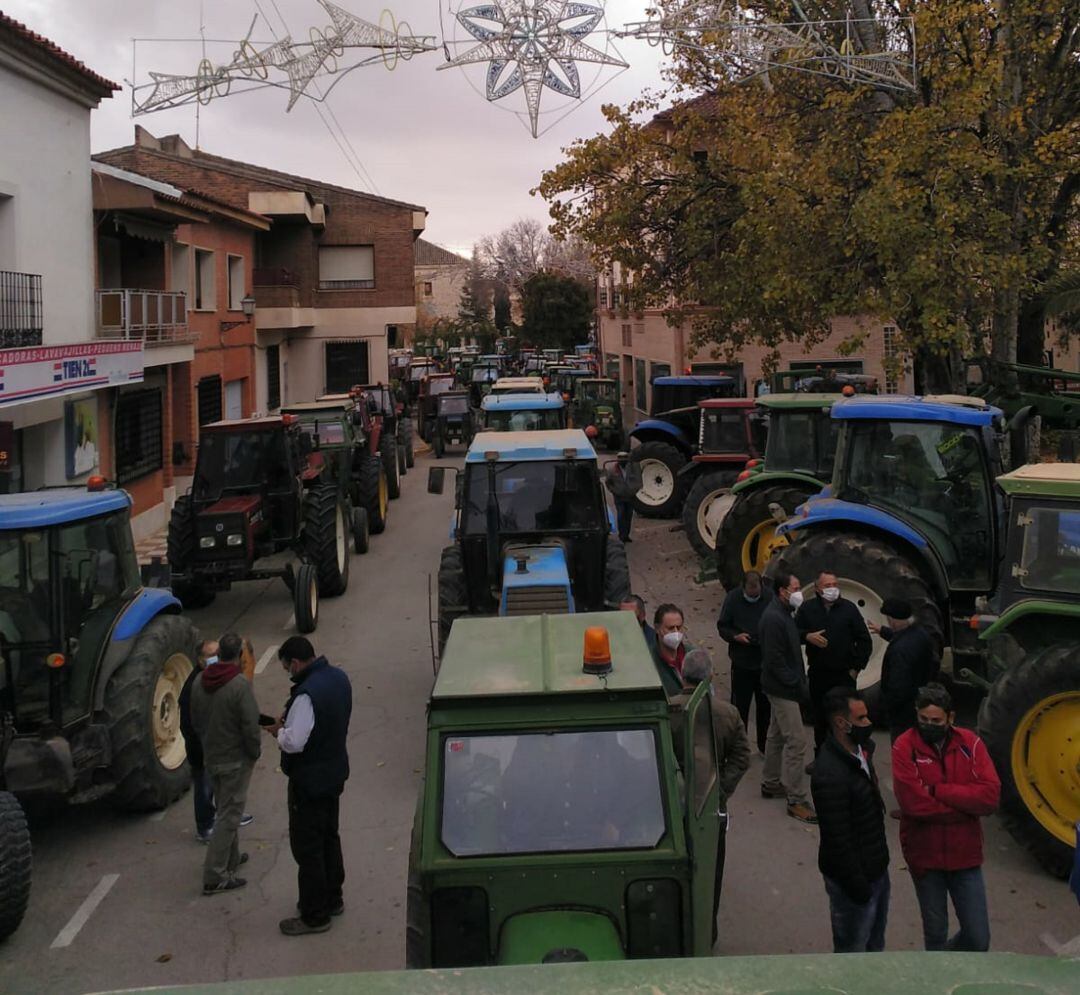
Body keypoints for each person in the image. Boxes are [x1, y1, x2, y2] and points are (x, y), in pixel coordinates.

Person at [893, 683, 1000, 952]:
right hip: (925, 860)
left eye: (936, 721)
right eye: (923, 719)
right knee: (935, 936)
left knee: (978, 938)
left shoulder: (970, 743)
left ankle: (950, 965)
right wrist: (965, 806)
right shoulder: (904, 746)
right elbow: (913, 804)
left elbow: (989, 797)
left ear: (950, 718)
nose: (929, 725)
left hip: (965, 858)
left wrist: (939, 791)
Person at [267, 636, 353, 936]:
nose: (288, 673)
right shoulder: (339, 678)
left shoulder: (305, 696)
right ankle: (334, 898)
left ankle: (315, 914)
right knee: (330, 836)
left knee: (309, 848)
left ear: (294, 662)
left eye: (286, 668)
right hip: (334, 773)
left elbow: (295, 742)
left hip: (309, 782)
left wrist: (279, 731)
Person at [672, 648, 750, 945]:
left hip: (674, 808)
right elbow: (741, 757)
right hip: (710, 809)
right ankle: (707, 933)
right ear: (711, 676)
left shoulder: (668, 710)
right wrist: (720, 793)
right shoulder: (727, 714)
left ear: (682, 674)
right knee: (710, 872)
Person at [810, 688, 890, 953]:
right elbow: (837, 839)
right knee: (852, 954)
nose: (868, 724)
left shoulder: (861, 751)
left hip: (875, 872)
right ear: (841, 724)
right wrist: (860, 888)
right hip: (854, 885)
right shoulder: (829, 774)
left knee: (874, 946)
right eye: (862, 719)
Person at [190, 632, 261, 895]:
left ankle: (231, 858)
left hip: (212, 757)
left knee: (224, 809)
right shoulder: (239, 686)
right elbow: (250, 726)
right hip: (235, 761)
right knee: (229, 816)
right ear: (240, 656)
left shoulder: (199, 681)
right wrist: (254, 752)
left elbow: (195, 719)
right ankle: (215, 875)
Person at [758, 571, 816, 823]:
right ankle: (796, 799)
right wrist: (797, 685)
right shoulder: (774, 618)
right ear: (783, 591)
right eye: (796, 587)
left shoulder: (782, 613)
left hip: (780, 686)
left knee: (777, 735)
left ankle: (771, 781)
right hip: (783, 689)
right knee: (797, 741)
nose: (799, 591)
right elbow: (775, 660)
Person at [796, 571, 873, 750]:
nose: (832, 589)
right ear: (817, 589)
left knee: (846, 718)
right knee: (821, 719)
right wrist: (807, 636)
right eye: (827, 586)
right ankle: (822, 757)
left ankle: (849, 754)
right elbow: (793, 632)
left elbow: (864, 640)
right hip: (819, 674)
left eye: (834, 585)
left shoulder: (849, 609)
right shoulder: (807, 609)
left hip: (844, 675)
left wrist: (856, 669)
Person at [716, 570, 772, 754]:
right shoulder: (733, 599)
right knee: (740, 708)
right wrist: (735, 636)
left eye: (756, 593)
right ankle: (740, 746)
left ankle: (763, 745)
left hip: (764, 663)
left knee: (764, 707)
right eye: (750, 593)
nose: (753, 596)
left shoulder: (769, 598)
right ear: (743, 587)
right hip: (742, 662)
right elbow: (723, 626)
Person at [870, 598, 938, 742]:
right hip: (917, 703)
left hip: (902, 714)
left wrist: (885, 708)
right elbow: (903, 637)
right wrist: (882, 631)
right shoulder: (920, 634)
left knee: (901, 747)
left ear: (892, 620)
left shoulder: (899, 651)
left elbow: (898, 687)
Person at [180, 640, 218, 844]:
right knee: (204, 788)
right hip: (202, 750)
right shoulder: (193, 687)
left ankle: (224, 815)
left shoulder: (211, 677)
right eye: (212, 655)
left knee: (220, 785)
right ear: (200, 660)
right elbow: (190, 725)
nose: (217, 658)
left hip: (213, 747)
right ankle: (205, 827)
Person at [603, 452, 642, 543]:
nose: (623, 460)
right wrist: (614, 491)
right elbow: (608, 482)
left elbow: (638, 480)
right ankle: (621, 535)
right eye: (620, 458)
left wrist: (634, 490)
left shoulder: (633, 468)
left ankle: (626, 535)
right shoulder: (612, 470)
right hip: (619, 497)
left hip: (630, 496)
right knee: (621, 515)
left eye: (625, 458)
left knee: (628, 516)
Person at [652, 603, 690, 696]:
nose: (676, 632)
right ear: (657, 628)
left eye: (679, 627)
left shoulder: (692, 654)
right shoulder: (650, 661)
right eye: (670, 628)